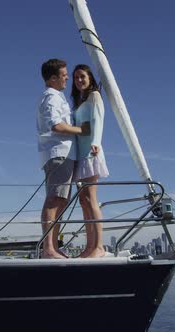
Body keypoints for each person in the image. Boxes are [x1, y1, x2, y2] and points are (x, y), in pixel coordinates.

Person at [37, 59, 89, 259]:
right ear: (53, 78)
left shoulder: (57, 97)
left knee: (60, 200)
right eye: (64, 74)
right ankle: (49, 249)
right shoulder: (50, 98)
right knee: (55, 199)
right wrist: (82, 130)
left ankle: (52, 247)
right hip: (58, 153)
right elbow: (56, 126)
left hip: (64, 154)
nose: (68, 77)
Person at [71, 64, 109, 258]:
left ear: (90, 78)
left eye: (82, 77)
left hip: (92, 152)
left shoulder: (94, 95)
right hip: (80, 154)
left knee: (91, 198)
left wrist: (96, 142)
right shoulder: (79, 101)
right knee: (83, 200)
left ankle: (99, 247)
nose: (79, 80)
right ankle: (89, 246)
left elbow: (98, 119)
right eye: (76, 77)